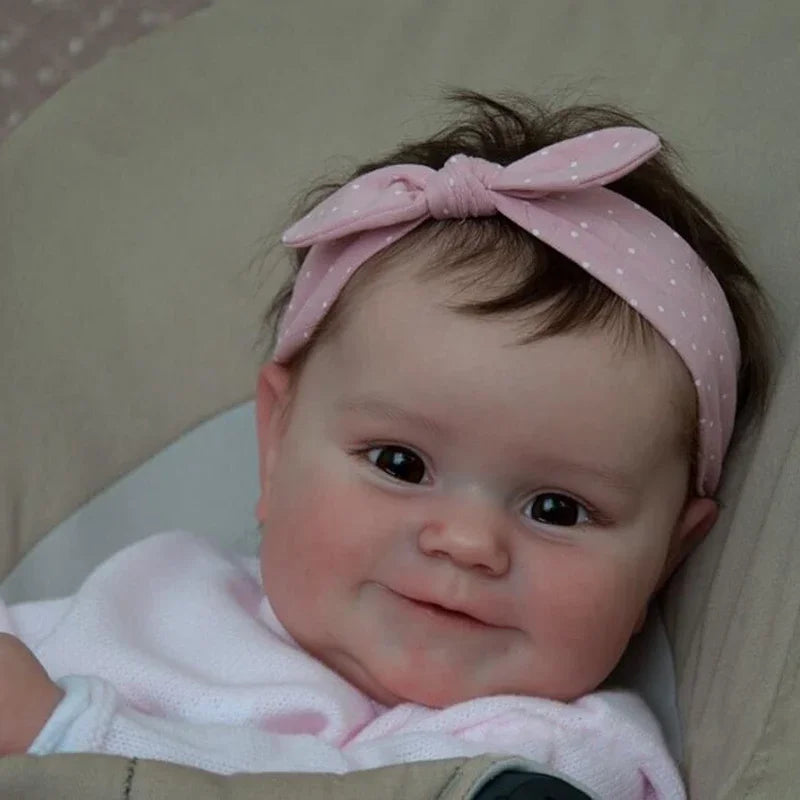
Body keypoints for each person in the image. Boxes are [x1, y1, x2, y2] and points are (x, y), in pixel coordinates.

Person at [0, 90, 775, 799]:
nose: (467, 543)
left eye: (557, 509)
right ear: (276, 441)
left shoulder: (558, 755)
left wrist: (69, 738)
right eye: (400, 464)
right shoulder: (156, 590)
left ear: (666, 558)